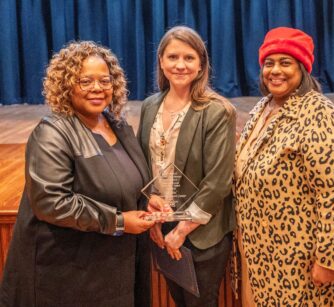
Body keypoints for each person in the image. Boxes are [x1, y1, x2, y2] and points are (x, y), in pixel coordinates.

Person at [0, 41, 154, 307]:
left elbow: (130, 179)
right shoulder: (52, 133)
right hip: (66, 275)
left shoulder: (117, 125)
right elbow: (51, 203)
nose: (97, 88)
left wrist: (147, 198)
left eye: (105, 81)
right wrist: (118, 221)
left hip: (113, 267)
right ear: (66, 85)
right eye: (85, 81)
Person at [233, 26, 334, 306]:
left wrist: (329, 260)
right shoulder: (264, 108)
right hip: (266, 254)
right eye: (269, 63)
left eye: (286, 63)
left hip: (302, 260)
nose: (275, 71)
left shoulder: (321, 115)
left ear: (303, 69)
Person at [137, 26, 236, 307]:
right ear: (160, 61)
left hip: (199, 232)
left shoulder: (217, 110)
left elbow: (217, 182)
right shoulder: (149, 106)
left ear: (201, 64)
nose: (180, 65)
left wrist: (181, 230)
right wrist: (151, 217)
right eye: (172, 57)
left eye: (189, 58)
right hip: (162, 225)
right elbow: (143, 167)